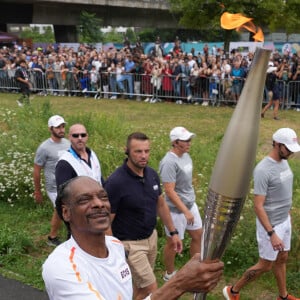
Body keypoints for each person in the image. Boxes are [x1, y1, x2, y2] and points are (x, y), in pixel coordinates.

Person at [42, 176, 224, 300]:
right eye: (84, 200)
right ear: (66, 213)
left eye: (103, 197)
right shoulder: (60, 267)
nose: (98, 204)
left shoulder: (115, 246)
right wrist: (178, 284)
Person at [223, 128, 300, 300]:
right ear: (277, 144)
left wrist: (288, 215)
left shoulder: (284, 161)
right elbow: (258, 206)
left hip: (284, 220)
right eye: (288, 149)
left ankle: (283, 296)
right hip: (270, 226)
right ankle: (233, 291)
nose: (291, 153)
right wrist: (271, 233)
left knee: (282, 258)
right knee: (265, 265)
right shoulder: (263, 170)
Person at [104, 132, 182, 300]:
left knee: (139, 288)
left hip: (151, 239)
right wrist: (115, 250)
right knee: (151, 288)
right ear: (127, 151)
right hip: (130, 246)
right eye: (138, 151)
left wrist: (173, 233)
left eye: (147, 151)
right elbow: (105, 221)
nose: (143, 156)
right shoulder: (116, 182)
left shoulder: (151, 174)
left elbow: (160, 204)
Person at [159, 126, 203, 281]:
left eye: (190, 139)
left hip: (190, 204)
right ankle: (169, 274)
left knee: (198, 235)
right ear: (176, 142)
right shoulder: (168, 162)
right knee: (173, 243)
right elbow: (169, 191)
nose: (189, 143)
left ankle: (194, 269)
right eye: (186, 141)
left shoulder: (186, 156)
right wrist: (185, 211)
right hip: (175, 210)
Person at [33, 115, 70, 246]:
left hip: (69, 184)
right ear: (50, 129)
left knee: (65, 209)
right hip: (53, 187)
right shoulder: (44, 148)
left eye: (63, 126)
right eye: (58, 127)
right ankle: (52, 237)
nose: (61, 129)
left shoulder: (68, 143)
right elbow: (36, 170)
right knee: (61, 209)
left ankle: (70, 235)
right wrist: (37, 191)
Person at [55, 123, 103, 190]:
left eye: (83, 135)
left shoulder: (92, 154)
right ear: (69, 137)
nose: (80, 138)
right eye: (75, 135)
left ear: (87, 136)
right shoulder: (64, 163)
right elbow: (63, 194)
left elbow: (99, 178)